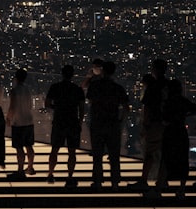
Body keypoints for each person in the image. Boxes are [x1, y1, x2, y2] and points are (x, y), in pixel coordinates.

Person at [86, 61, 129, 191]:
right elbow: (126, 107)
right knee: (114, 155)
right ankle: (115, 182)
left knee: (97, 155)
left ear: (103, 71)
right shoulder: (118, 88)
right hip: (113, 123)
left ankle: (98, 181)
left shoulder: (95, 85)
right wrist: (121, 121)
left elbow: (90, 100)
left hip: (98, 122)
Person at [129, 59, 170, 192]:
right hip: (167, 124)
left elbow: (147, 107)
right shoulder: (169, 85)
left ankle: (144, 180)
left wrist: (145, 125)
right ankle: (163, 180)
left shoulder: (152, 87)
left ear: (154, 70)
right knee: (164, 153)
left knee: (150, 153)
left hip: (154, 123)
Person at [154, 79, 196, 199]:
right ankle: (181, 189)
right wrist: (184, 115)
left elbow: (163, 119)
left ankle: (159, 188)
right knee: (183, 160)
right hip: (181, 132)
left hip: (170, 132)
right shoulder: (182, 100)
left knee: (166, 159)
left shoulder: (167, 102)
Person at [45, 65, 85, 187]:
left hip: (59, 121)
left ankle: (50, 174)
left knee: (55, 149)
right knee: (72, 152)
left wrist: (56, 108)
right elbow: (82, 109)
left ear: (62, 74)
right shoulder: (77, 89)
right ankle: (70, 176)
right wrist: (79, 122)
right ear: (72, 75)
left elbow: (47, 103)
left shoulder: (55, 87)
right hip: (72, 122)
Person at [6, 68, 35, 180]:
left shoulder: (14, 91)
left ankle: (20, 170)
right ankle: (30, 167)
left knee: (19, 147)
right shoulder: (28, 90)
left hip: (18, 122)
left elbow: (12, 106)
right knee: (29, 146)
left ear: (16, 78)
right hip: (29, 120)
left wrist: (8, 118)